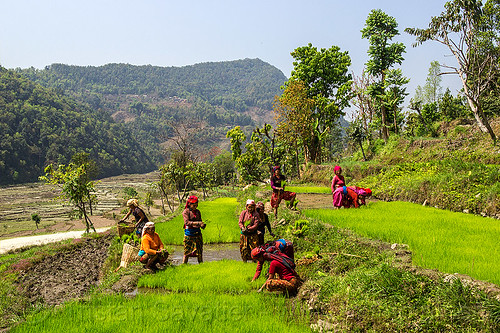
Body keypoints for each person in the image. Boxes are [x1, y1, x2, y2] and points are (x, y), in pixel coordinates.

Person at [182, 195, 206, 264]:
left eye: (196, 205)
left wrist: (202, 225)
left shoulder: (198, 212)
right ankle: (184, 265)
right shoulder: (186, 212)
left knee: (199, 252)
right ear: (189, 204)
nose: (195, 207)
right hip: (189, 234)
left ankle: (201, 265)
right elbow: (187, 222)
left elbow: (200, 221)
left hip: (198, 234)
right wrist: (198, 223)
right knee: (187, 252)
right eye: (194, 205)